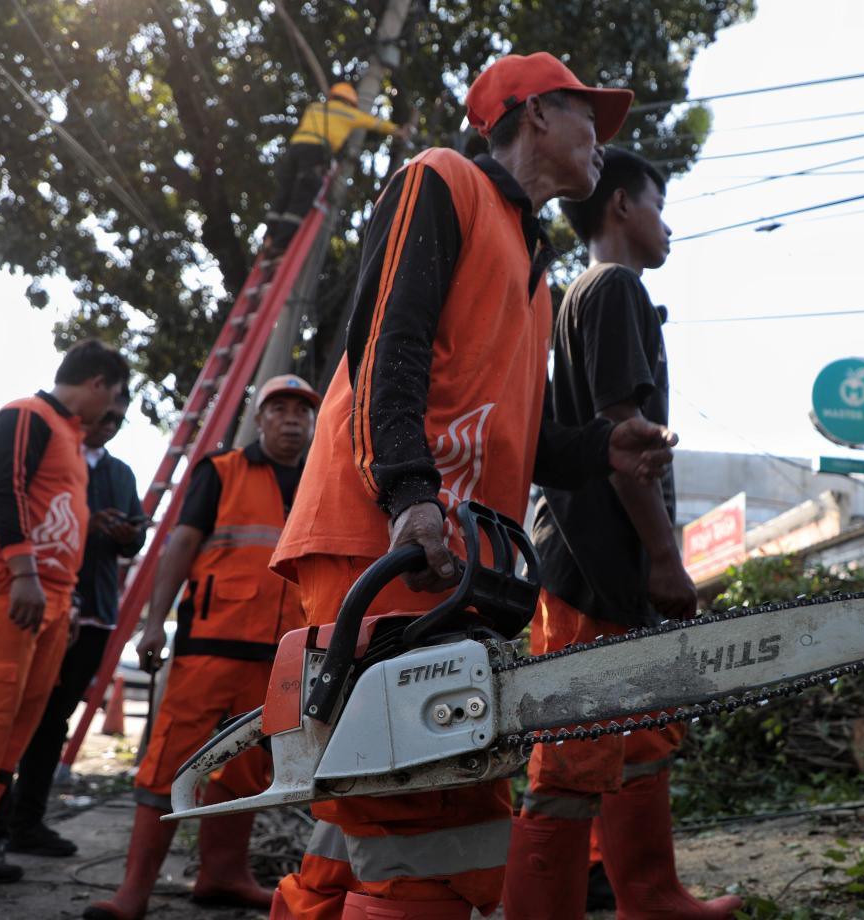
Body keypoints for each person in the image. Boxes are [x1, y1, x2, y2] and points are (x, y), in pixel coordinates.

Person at [267, 52, 676, 920]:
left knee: (369, 812)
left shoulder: (535, 269)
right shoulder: (442, 180)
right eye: (587, 116)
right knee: (430, 822)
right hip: (384, 536)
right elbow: (390, 343)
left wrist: (603, 449)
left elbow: (522, 438)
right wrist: (410, 495)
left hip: (453, 554)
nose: (600, 142)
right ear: (535, 113)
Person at [504, 147, 741, 920]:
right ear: (621, 206)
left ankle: (652, 896)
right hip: (591, 562)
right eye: (659, 206)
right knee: (573, 753)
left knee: (641, 734)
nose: (667, 226)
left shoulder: (593, 293)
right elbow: (622, 439)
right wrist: (666, 560)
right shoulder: (612, 289)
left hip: (603, 561)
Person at [84, 375, 320, 920]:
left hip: (281, 659)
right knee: (168, 764)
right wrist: (153, 624)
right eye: (279, 408)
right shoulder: (222, 471)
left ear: (313, 423)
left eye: (302, 411)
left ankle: (222, 876)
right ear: (259, 419)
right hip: (209, 648)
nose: (291, 419)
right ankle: (133, 892)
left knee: (247, 774)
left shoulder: (320, 481)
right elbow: (182, 544)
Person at [0, 339, 129, 910]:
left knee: (16, 729)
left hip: (51, 601)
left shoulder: (70, 436)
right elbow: (4, 491)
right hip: (8, 587)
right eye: (114, 396)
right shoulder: (26, 415)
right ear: (98, 383)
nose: (111, 411)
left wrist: (64, 603)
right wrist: (23, 571)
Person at [0, 390, 145, 858]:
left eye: (119, 420)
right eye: (106, 414)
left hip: (94, 611)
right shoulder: (55, 451)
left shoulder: (121, 473)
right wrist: (85, 524)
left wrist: (127, 533)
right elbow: (16, 506)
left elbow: (134, 542)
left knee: (54, 718)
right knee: (11, 714)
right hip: (40, 599)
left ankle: (26, 823)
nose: (109, 425)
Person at [265, 81, 403, 254]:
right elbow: (375, 123)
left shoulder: (315, 107)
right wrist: (398, 131)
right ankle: (279, 246)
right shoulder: (349, 113)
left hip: (295, 148)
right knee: (302, 196)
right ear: (350, 102)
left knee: (284, 191)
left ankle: (269, 237)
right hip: (315, 151)